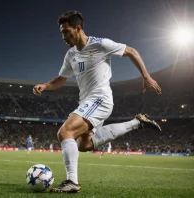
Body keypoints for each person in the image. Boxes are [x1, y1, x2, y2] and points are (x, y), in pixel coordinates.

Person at [32, 10, 162, 193]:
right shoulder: (71, 55)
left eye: (66, 32)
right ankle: (137, 122)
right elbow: (61, 79)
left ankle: (72, 182)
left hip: (100, 98)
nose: (63, 37)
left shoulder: (100, 44)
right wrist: (45, 86)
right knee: (83, 144)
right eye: (62, 33)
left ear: (78, 28)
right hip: (87, 102)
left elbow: (131, 51)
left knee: (65, 132)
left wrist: (146, 77)